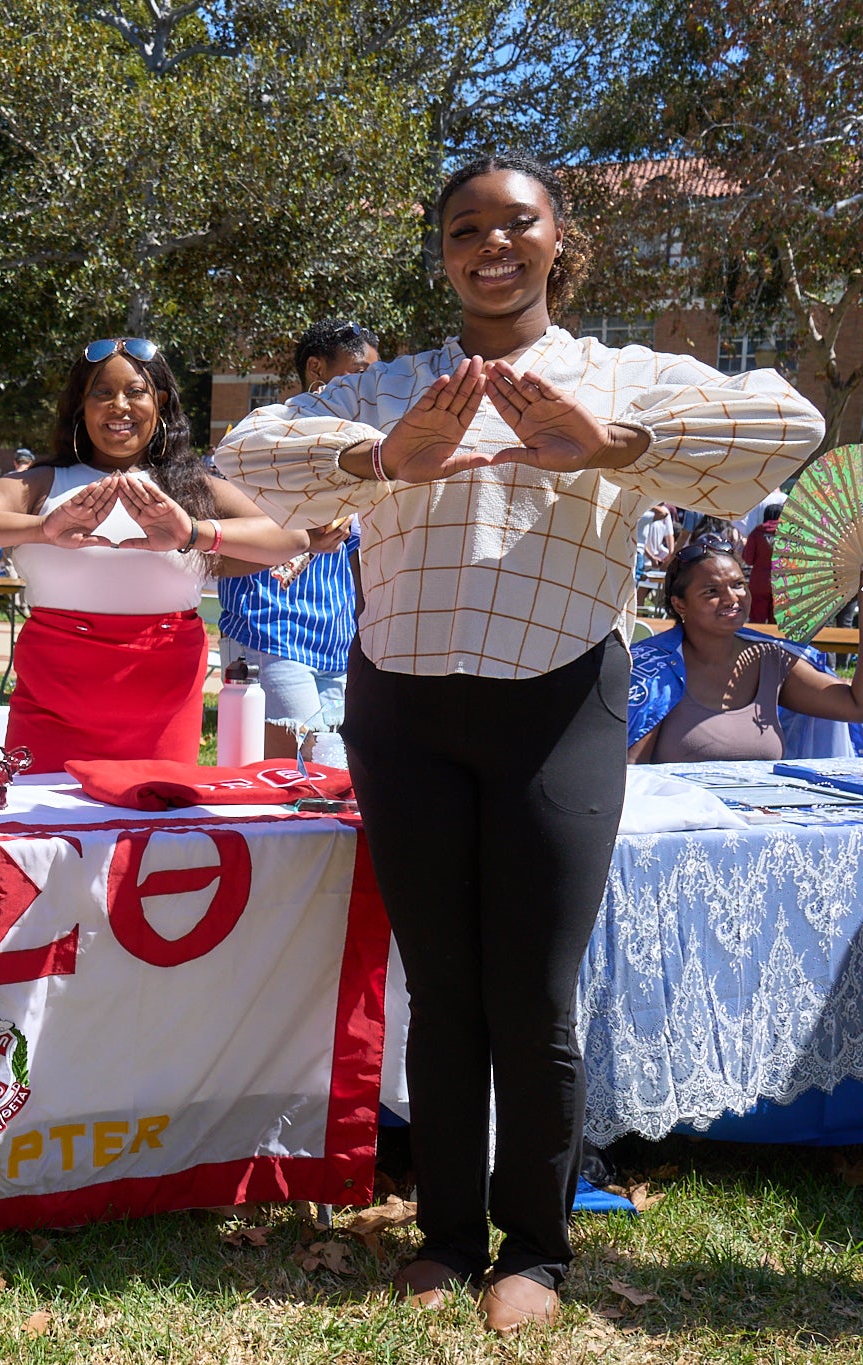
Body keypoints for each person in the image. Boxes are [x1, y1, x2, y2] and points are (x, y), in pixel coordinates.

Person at [217, 154, 822, 1331]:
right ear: (438, 251)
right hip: (399, 710)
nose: (490, 246)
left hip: (558, 710)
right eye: (463, 229)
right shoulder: (388, 386)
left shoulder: (618, 373)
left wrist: (616, 443)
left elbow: (784, 424)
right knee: (443, 989)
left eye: (515, 225)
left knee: (533, 992)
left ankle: (533, 1251)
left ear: (558, 240)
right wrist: (377, 459)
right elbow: (247, 457)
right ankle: (445, 1234)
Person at [0, 337, 311, 772]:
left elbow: (292, 537)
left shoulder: (190, 489)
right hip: (52, 707)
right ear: (81, 407)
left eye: (135, 392)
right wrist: (43, 529)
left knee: (154, 833)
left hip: (164, 711)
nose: (119, 406)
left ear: (160, 403)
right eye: (102, 394)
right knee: (46, 832)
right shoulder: (43, 483)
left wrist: (193, 533)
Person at [217, 319, 379, 756]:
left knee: (335, 776)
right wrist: (304, 529)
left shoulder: (364, 452)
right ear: (315, 368)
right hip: (271, 634)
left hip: (337, 643)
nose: (371, 387)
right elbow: (229, 533)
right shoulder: (263, 440)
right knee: (290, 778)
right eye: (361, 372)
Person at [628, 536, 862, 763]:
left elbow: (855, 706)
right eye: (711, 591)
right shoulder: (652, 674)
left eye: (738, 585)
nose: (732, 598)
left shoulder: (772, 660)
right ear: (680, 604)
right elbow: (631, 773)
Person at [739, 502, 781, 624]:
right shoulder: (790, 534)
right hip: (782, 582)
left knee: (757, 622)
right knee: (778, 623)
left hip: (759, 582)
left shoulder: (757, 533)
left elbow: (748, 559)